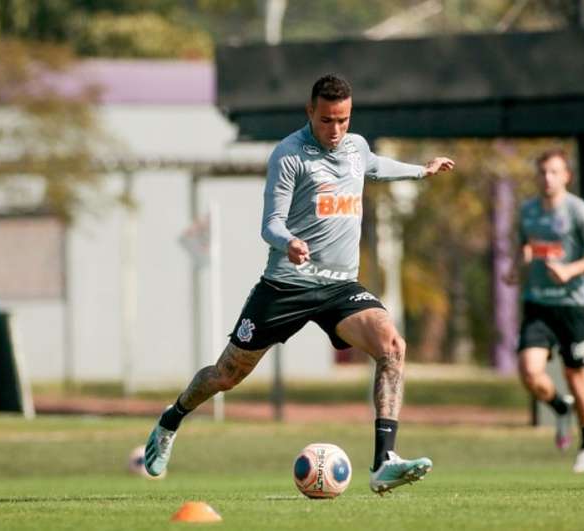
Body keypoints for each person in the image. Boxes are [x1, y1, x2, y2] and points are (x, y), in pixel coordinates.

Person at [143, 73, 455, 494]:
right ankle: (171, 419)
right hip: (286, 285)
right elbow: (270, 222)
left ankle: (384, 462)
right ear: (310, 112)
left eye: (343, 119)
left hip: (341, 287)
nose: (336, 129)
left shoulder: (356, 147)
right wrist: (288, 240)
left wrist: (422, 171)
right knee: (226, 375)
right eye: (327, 120)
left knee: (393, 347)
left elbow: (375, 167)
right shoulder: (289, 156)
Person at [505, 148, 584, 474]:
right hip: (538, 304)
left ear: (566, 176)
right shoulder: (528, 211)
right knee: (529, 372)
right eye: (542, 172)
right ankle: (559, 407)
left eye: (554, 172)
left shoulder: (580, 212)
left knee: (575, 377)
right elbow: (525, 246)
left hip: (573, 307)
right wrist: (516, 267)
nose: (547, 178)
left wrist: (570, 270)